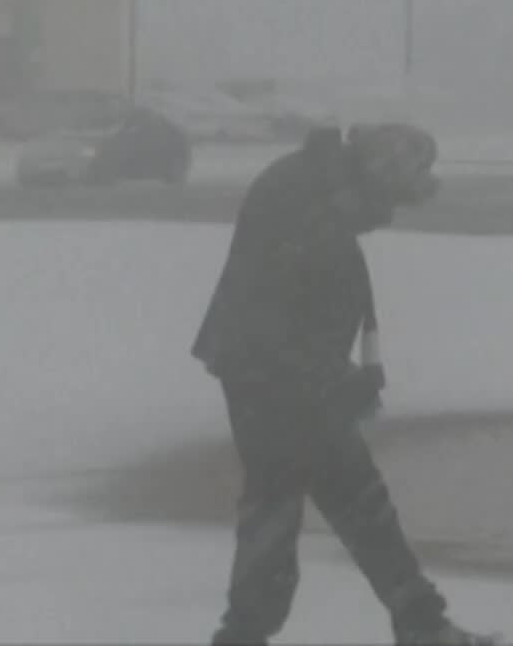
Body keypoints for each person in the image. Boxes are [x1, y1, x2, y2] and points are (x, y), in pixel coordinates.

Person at [191, 123, 496, 646]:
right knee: (281, 503)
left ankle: (419, 623)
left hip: (286, 374)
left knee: (348, 498)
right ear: (382, 169)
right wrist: (332, 378)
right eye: (392, 196)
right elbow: (279, 305)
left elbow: (314, 300)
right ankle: (246, 635)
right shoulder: (308, 198)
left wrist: (340, 375)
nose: (386, 214)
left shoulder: (322, 188)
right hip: (267, 376)